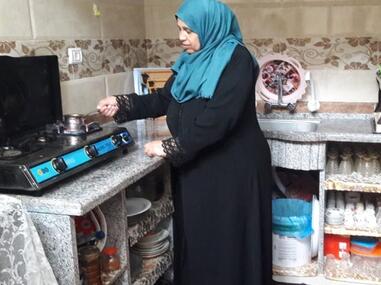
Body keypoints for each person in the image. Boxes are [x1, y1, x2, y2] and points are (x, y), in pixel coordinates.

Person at [96, 1, 274, 284]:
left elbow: (218, 119)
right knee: (201, 241)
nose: (181, 37)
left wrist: (167, 147)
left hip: (233, 172)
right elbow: (165, 99)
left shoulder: (236, 59)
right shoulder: (191, 60)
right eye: (179, 29)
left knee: (229, 243)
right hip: (199, 165)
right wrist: (122, 104)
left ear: (210, 26)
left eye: (188, 30)